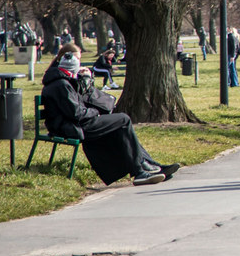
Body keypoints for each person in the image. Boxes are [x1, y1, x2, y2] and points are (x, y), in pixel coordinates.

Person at [41, 44, 179, 186]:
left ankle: (148, 166)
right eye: (76, 60)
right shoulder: (61, 84)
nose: (79, 64)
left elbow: (80, 101)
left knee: (120, 123)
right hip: (73, 127)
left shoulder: (62, 79)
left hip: (75, 123)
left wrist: (85, 80)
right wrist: (97, 113)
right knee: (123, 120)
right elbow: (77, 112)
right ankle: (140, 170)